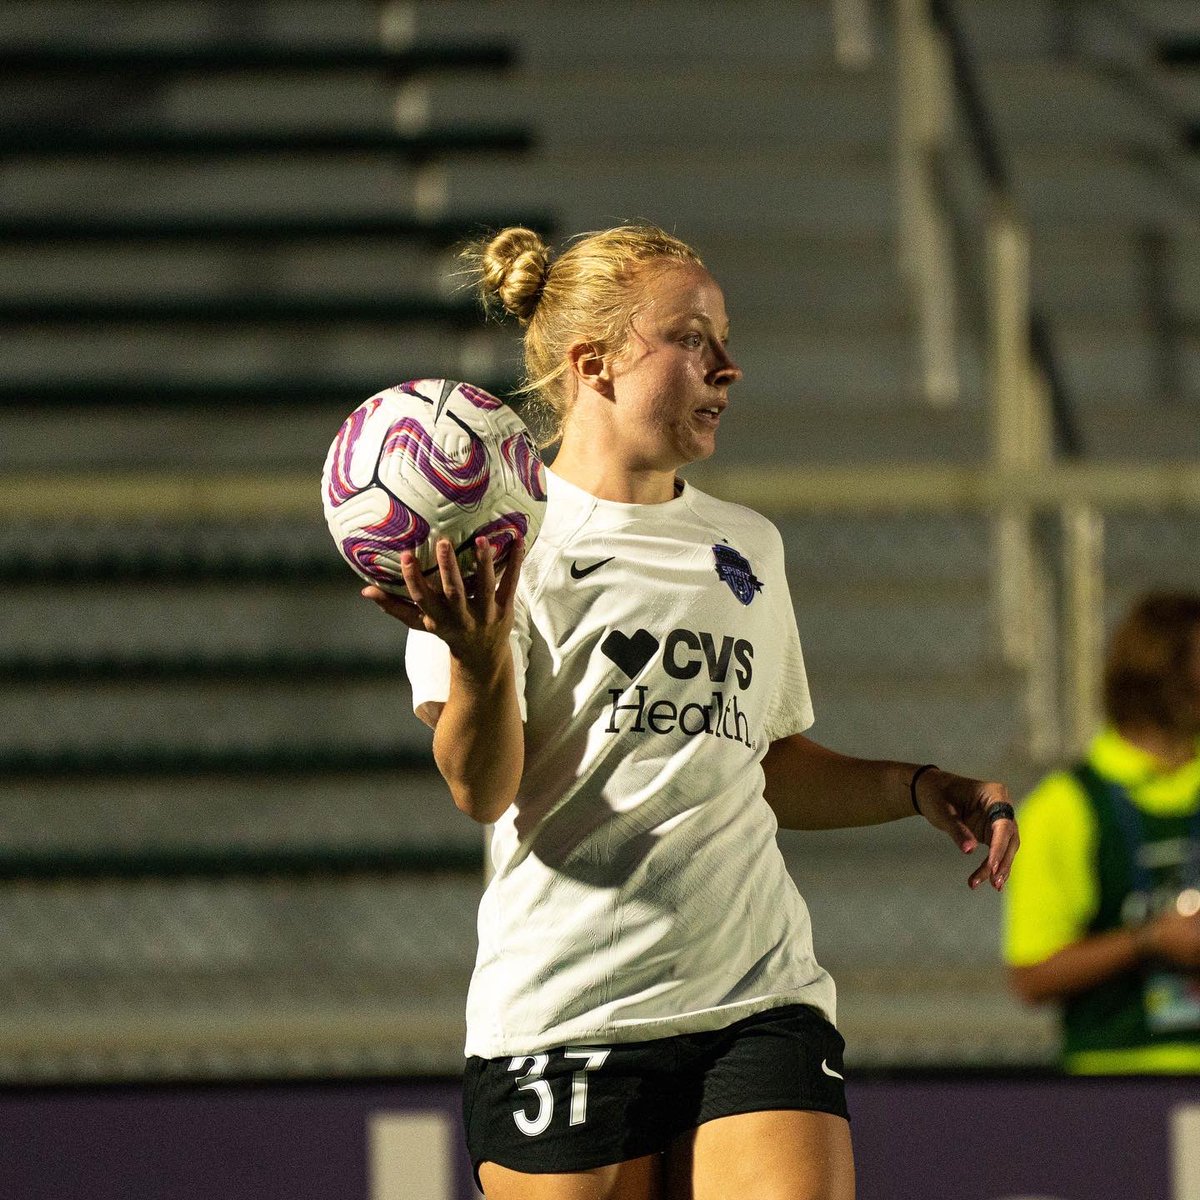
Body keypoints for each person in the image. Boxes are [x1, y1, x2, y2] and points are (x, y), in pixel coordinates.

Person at [364, 225, 1018, 1200]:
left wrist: (918, 787)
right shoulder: (494, 543)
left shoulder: (747, 545)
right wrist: (475, 655)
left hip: (757, 995)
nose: (729, 367)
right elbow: (482, 788)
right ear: (595, 363)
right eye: (692, 339)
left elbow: (762, 765)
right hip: (569, 1013)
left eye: (725, 340)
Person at [1005, 591, 1200, 1074]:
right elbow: (1032, 976)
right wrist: (1149, 940)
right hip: (1112, 1084)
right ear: (1167, 675)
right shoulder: (1064, 805)